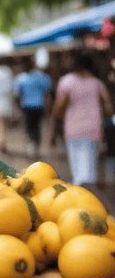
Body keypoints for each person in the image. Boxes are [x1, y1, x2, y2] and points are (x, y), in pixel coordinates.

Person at [50, 51, 114, 186]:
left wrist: (54, 131)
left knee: (77, 169)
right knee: (89, 168)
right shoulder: (97, 83)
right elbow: (108, 108)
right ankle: (87, 195)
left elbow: (58, 109)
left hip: (73, 129)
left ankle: (81, 196)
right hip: (93, 129)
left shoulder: (66, 82)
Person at [13, 57, 53, 158]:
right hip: (38, 106)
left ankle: (32, 145)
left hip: (27, 106)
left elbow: (17, 93)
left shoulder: (21, 78)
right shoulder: (42, 77)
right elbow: (48, 90)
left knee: (29, 126)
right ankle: (35, 145)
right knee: (36, 126)